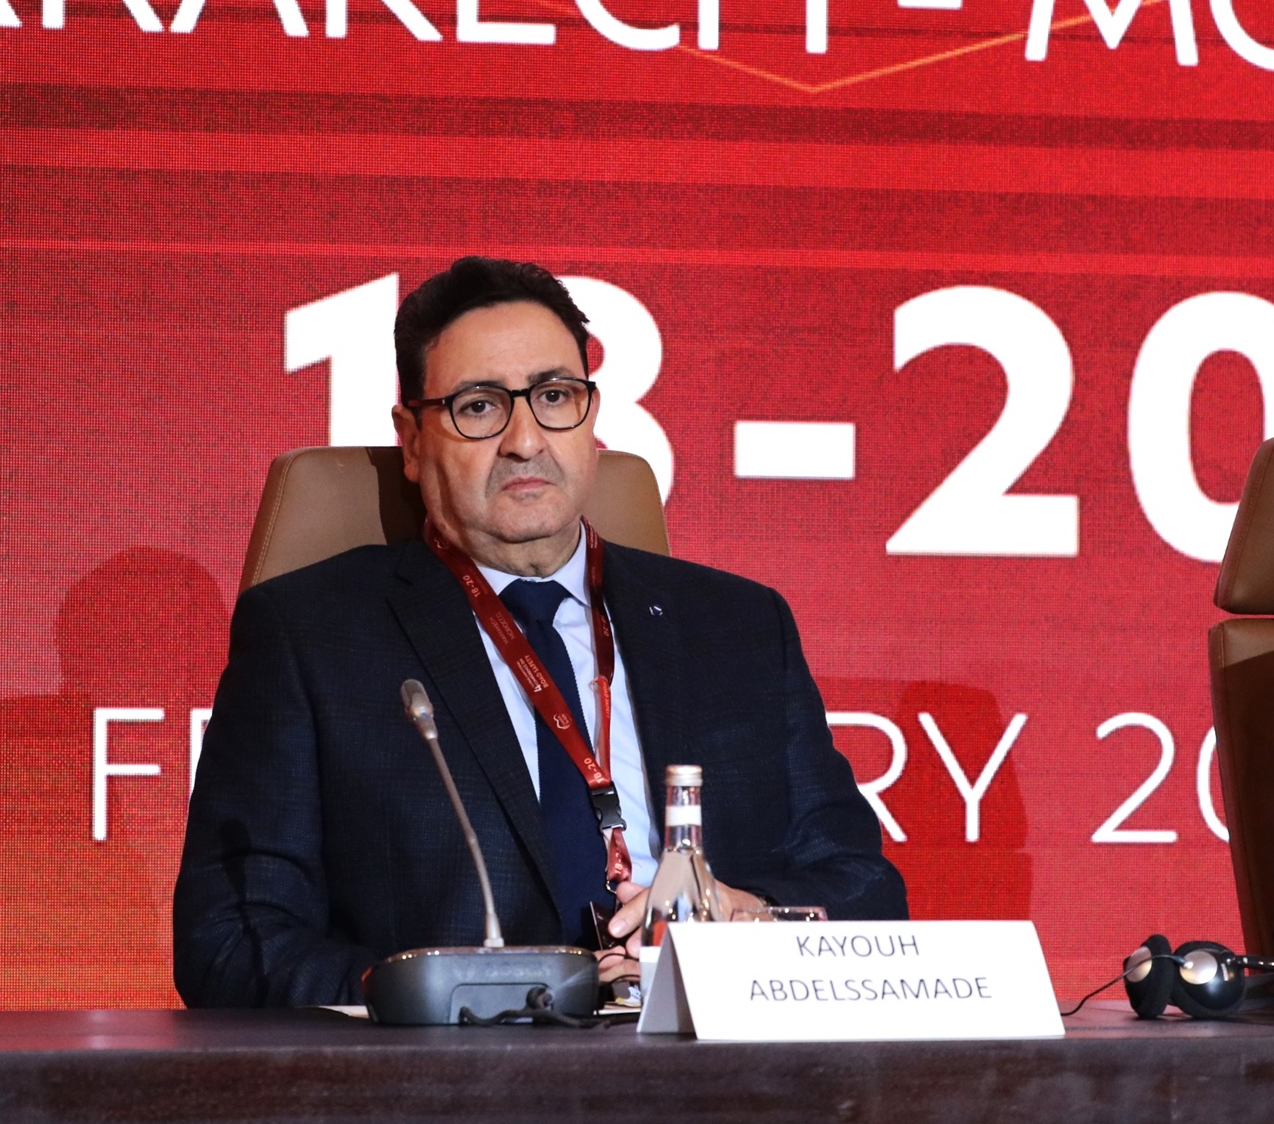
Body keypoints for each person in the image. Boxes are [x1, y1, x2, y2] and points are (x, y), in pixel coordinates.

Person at [175, 257, 905, 1007]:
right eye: (479, 407)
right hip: (462, 1069)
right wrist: (469, 996)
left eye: (555, 396)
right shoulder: (313, 639)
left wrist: (753, 918)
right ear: (413, 441)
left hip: (707, 1059)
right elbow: (229, 940)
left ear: (591, 418)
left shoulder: (739, 629)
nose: (526, 440)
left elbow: (865, 890)